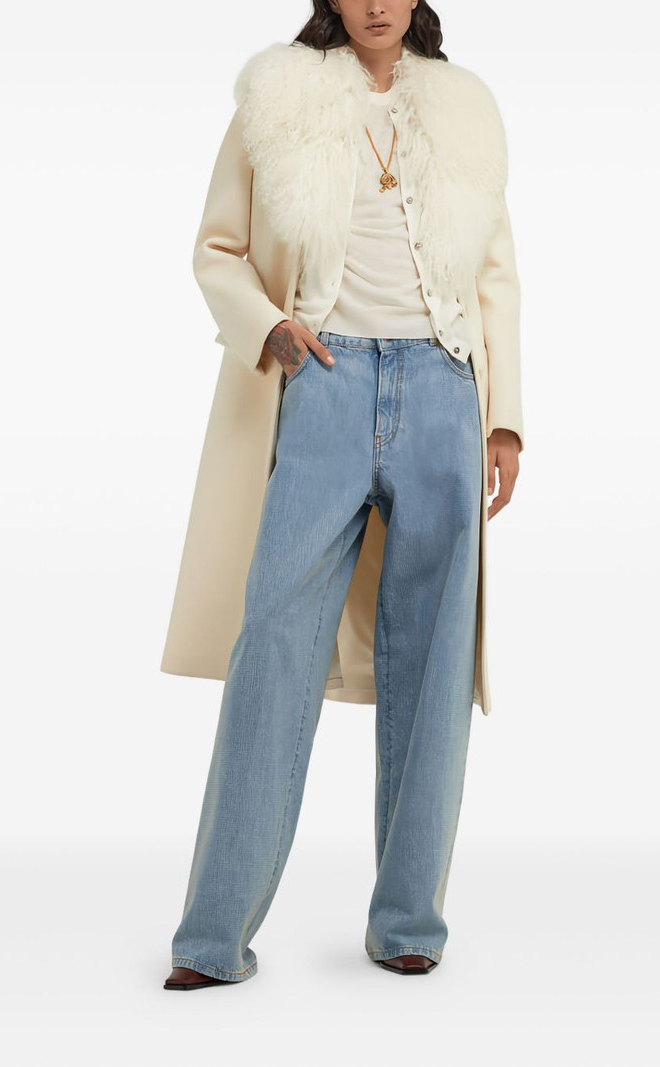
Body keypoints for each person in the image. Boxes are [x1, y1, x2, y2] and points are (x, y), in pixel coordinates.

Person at [162, 0, 524, 991]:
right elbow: (216, 248)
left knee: (434, 656)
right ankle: (212, 935)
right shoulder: (277, 96)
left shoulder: (463, 106)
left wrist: (504, 418)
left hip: (443, 386)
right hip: (321, 379)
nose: (376, 4)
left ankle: (409, 920)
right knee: (273, 643)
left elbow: (496, 273)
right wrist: (268, 327)